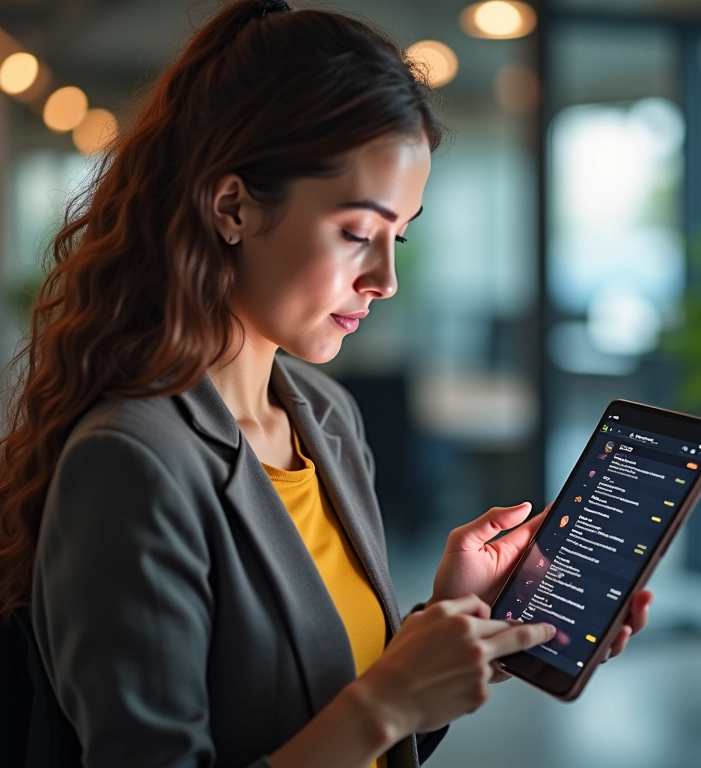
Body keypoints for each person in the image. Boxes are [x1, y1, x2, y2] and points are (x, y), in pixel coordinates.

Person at [0, 2, 652, 766]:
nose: (386, 279)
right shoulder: (130, 463)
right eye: (356, 233)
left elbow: (340, 722)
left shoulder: (325, 416)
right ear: (233, 206)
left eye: (398, 236)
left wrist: (457, 618)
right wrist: (391, 700)